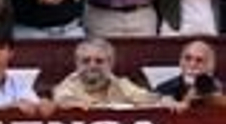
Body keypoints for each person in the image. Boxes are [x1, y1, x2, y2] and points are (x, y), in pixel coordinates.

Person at [52, 38, 180, 111]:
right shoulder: (67, 85)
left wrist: (164, 100)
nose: (92, 65)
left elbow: (144, 97)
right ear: (77, 63)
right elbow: (64, 101)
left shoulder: (120, 84)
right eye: (86, 61)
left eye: (99, 61)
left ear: (110, 63)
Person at [153, 40, 222, 108]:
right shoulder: (163, 89)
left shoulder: (216, 88)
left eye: (199, 60)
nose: (192, 64)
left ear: (209, 66)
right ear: (180, 61)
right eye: (187, 58)